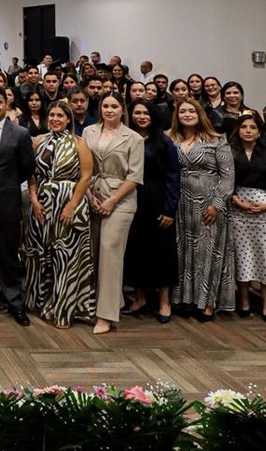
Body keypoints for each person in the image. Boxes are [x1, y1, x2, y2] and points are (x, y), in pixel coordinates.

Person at [24, 100, 94, 328]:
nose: (55, 119)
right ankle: (42, 301)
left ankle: (63, 305)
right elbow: (31, 173)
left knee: (66, 257)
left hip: (68, 201)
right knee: (41, 254)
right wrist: (34, 199)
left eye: (60, 116)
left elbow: (85, 176)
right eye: (52, 115)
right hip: (42, 203)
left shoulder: (79, 143)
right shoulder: (38, 141)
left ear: (68, 119)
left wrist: (72, 205)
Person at [83, 91, 144, 334]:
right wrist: (89, 195)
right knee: (95, 254)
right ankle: (106, 301)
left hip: (121, 199)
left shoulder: (133, 138)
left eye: (114, 106)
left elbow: (135, 177)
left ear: (122, 110)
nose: (109, 110)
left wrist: (111, 201)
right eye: (105, 106)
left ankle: (106, 316)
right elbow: (83, 166)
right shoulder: (89, 132)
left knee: (110, 254)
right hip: (92, 195)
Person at [169, 99, 234, 321]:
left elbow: (227, 177)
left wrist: (217, 204)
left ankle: (206, 302)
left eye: (191, 111)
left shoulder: (217, 140)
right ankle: (185, 299)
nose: (187, 114)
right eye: (182, 111)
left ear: (200, 114)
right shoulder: (171, 139)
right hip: (180, 204)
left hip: (208, 204)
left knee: (207, 253)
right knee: (183, 251)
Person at [122, 100, 180, 323]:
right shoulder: (127, 138)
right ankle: (140, 298)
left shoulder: (164, 142)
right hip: (131, 200)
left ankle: (164, 301)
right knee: (135, 250)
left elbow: (174, 178)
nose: (142, 116)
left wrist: (169, 209)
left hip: (157, 201)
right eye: (137, 113)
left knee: (161, 252)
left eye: (146, 112)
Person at [227, 113, 266, 324]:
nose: (248, 130)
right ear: (238, 130)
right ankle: (243, 299)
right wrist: (235, 199)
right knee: (243, 256)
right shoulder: (230, 153)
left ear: (259, 131)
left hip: (265, 208)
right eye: (244, 127)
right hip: (237, 208)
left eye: (253, 127)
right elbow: (225, 181)